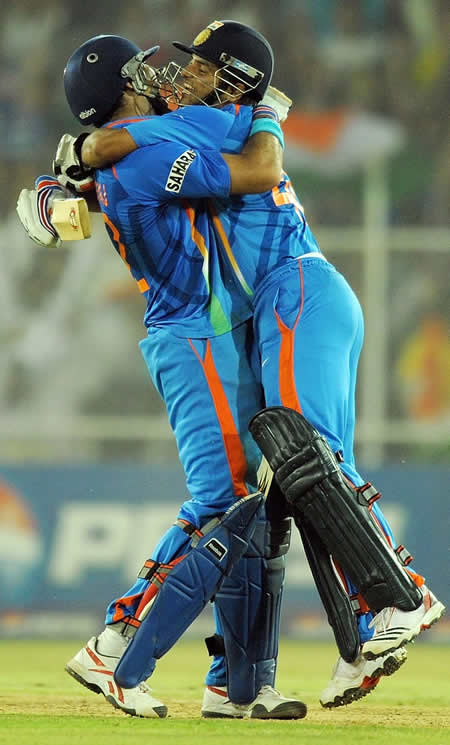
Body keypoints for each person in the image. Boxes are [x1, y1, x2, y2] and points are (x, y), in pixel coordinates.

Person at [69, 19, 445, 709]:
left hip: (295, 287)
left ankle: (399, 600)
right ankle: (300, 660)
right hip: (276, 302)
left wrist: (91, 147)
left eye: (197, 67)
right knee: (288, 483)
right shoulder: (208, 124)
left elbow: (127, 145)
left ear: (235, 79)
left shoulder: (237, 121)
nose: (177, 78)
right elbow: (113, 154)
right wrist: (71, 169)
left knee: (308, 457)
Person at [17, 29, 307, 720]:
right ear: (122, 88)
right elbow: (258, 170)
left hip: (200, 334)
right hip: (191, 337)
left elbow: (72, 186)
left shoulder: (129, 149)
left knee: (249, 508)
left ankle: (233, 679)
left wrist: (69, 167)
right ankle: (117, 641)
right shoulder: (151, 152)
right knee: (222, 505)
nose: (159, 77)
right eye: (141, 72)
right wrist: (266, 109)